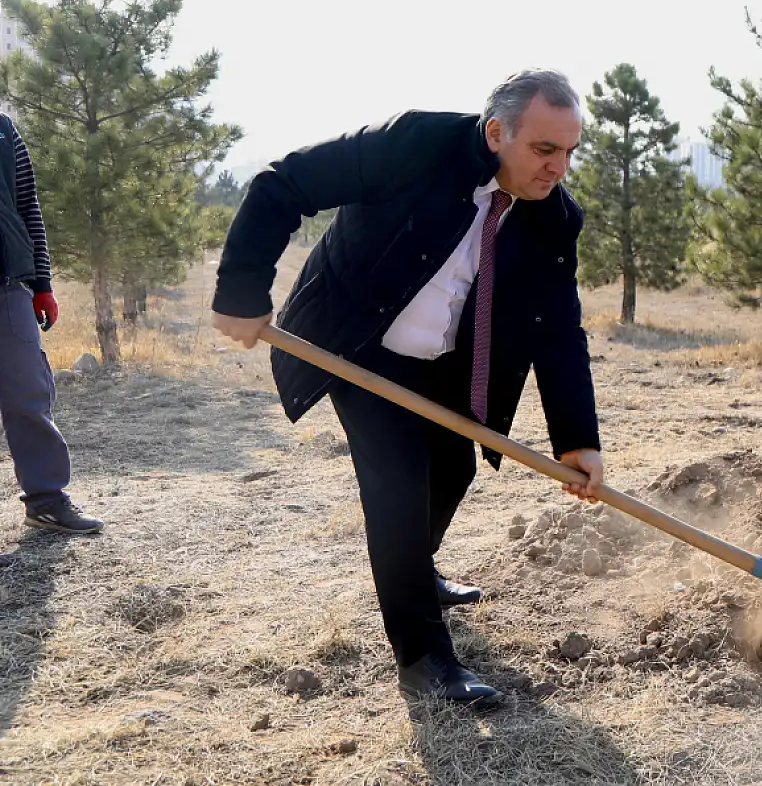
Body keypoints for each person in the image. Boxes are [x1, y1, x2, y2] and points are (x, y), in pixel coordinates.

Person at [212, 69, 604, 706]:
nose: (558, 167)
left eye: (569, 152)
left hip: (445, 358)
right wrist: (241, 289)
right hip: (357, 344)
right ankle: (423, 656)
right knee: (398, 482)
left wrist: (577, 440)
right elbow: (285, 183)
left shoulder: (554, 220)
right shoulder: (414, 144)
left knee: (451, 467)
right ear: (497, 131)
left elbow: (560, 329)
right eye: (544, 149)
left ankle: (412, 576)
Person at [0, 113, 103, 535]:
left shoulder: (4, 130)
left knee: (29, 390)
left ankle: (45, 499)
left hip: (8, 285)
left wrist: (43, 282)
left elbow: (28, 206)